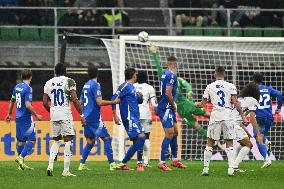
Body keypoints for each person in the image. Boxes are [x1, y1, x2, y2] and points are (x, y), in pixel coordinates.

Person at [149, 44, 211, 140]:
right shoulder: (172, 77)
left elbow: (188, 86)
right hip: (182, 108)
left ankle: (219, 130)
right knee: (197, 123)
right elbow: (188, 86)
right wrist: (190, 93)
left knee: (200, 120)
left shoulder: (171, 77)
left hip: (184, 106)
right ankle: (213, 140)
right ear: (175, 66)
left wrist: (154, 54)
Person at [195, 66, 246, 176]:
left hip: (215, 115)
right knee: (229, 142)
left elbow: (202, 104)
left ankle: (205, 169)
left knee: (210, 142)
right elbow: (236, 102)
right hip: (227, 115)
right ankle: (231, 169)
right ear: (224, 74)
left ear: (215, 74)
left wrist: (196, 104)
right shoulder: (231, 86)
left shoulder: (209, 86)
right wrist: (243, 116)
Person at [43, 63, 86, 177]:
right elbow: (75, 100)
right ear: (65, 70)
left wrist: (52, 111)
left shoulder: (48, 82)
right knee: (68, 141)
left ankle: (50, 165)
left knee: (56, 141)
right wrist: (82, 115)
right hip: (65, 113)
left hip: (54, 114)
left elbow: (44, 102)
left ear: (55, 71)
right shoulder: (69, 81)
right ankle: (66, 170)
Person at [78, 65, 120, 171]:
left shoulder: (85, 85)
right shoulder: (95, 85)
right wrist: (114, 102)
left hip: (86, 117)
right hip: (94, 117)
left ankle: (81, 164)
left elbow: (80, 102)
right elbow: (99, 102)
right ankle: (112, 164)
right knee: (106, 138)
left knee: (90, 141)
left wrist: (82, 115)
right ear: (97, 74)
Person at [6, 69, 42, 170]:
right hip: (26, 118)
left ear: (22, 77)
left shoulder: (17, 87)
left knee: (21, 141)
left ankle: (20, 164)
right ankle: (21, 157)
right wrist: (36, 115)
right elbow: (27, 105)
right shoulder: (28, 88)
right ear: (31, 77)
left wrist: (9, 114)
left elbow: (12, 101)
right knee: (33, 140)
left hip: (18, 117)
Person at [156, 55, 187, 171]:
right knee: (169, 134)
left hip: (169, 107)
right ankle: (162, 162)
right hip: (166, 108)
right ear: (174, 65)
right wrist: (173, 105)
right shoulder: (171, 75)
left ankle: (174, 160)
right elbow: (168, 93)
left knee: (175, 132)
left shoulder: (165, 73)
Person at [111, 68, 146, 171]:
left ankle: (123, 164)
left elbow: (135, 101)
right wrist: (115, 115)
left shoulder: (132, 88)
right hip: (129, 117)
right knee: (141, 137)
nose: (136, 76)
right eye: (135, 74)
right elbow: (113, 98)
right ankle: (139, 164)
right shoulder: (125, 86)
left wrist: (140, 97)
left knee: (137, 142)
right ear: (133, 75)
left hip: (135, 117)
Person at [252, 72, 282, 168]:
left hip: (259, 117)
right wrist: (279, 108)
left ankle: (266, 159)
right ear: (262, 80)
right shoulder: (268, 89)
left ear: (253, 80)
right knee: (262, 136)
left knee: (258, 138)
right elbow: (280, 95)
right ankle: (266, 141)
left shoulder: (253, 90)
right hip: (269, 118)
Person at [231, 82, 263, 172]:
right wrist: (258, 133)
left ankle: (233, 164)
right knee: (249, 145)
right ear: (256, 92)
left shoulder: (241, 99)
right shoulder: (253, 101)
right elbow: (252, 118)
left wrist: (247, 131)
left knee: (243, 143)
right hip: (233, 124)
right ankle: (234, 166)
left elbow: (236, 117)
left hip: (230, 123)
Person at [134, 71, 158, 167]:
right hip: (145, 114)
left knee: (137, 138)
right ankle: (146, 162)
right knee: (146, 137)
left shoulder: (133, 86)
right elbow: (154, 103)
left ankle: (138, 161)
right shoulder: (150, 88)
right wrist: (158, 111)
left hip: (134, 114)